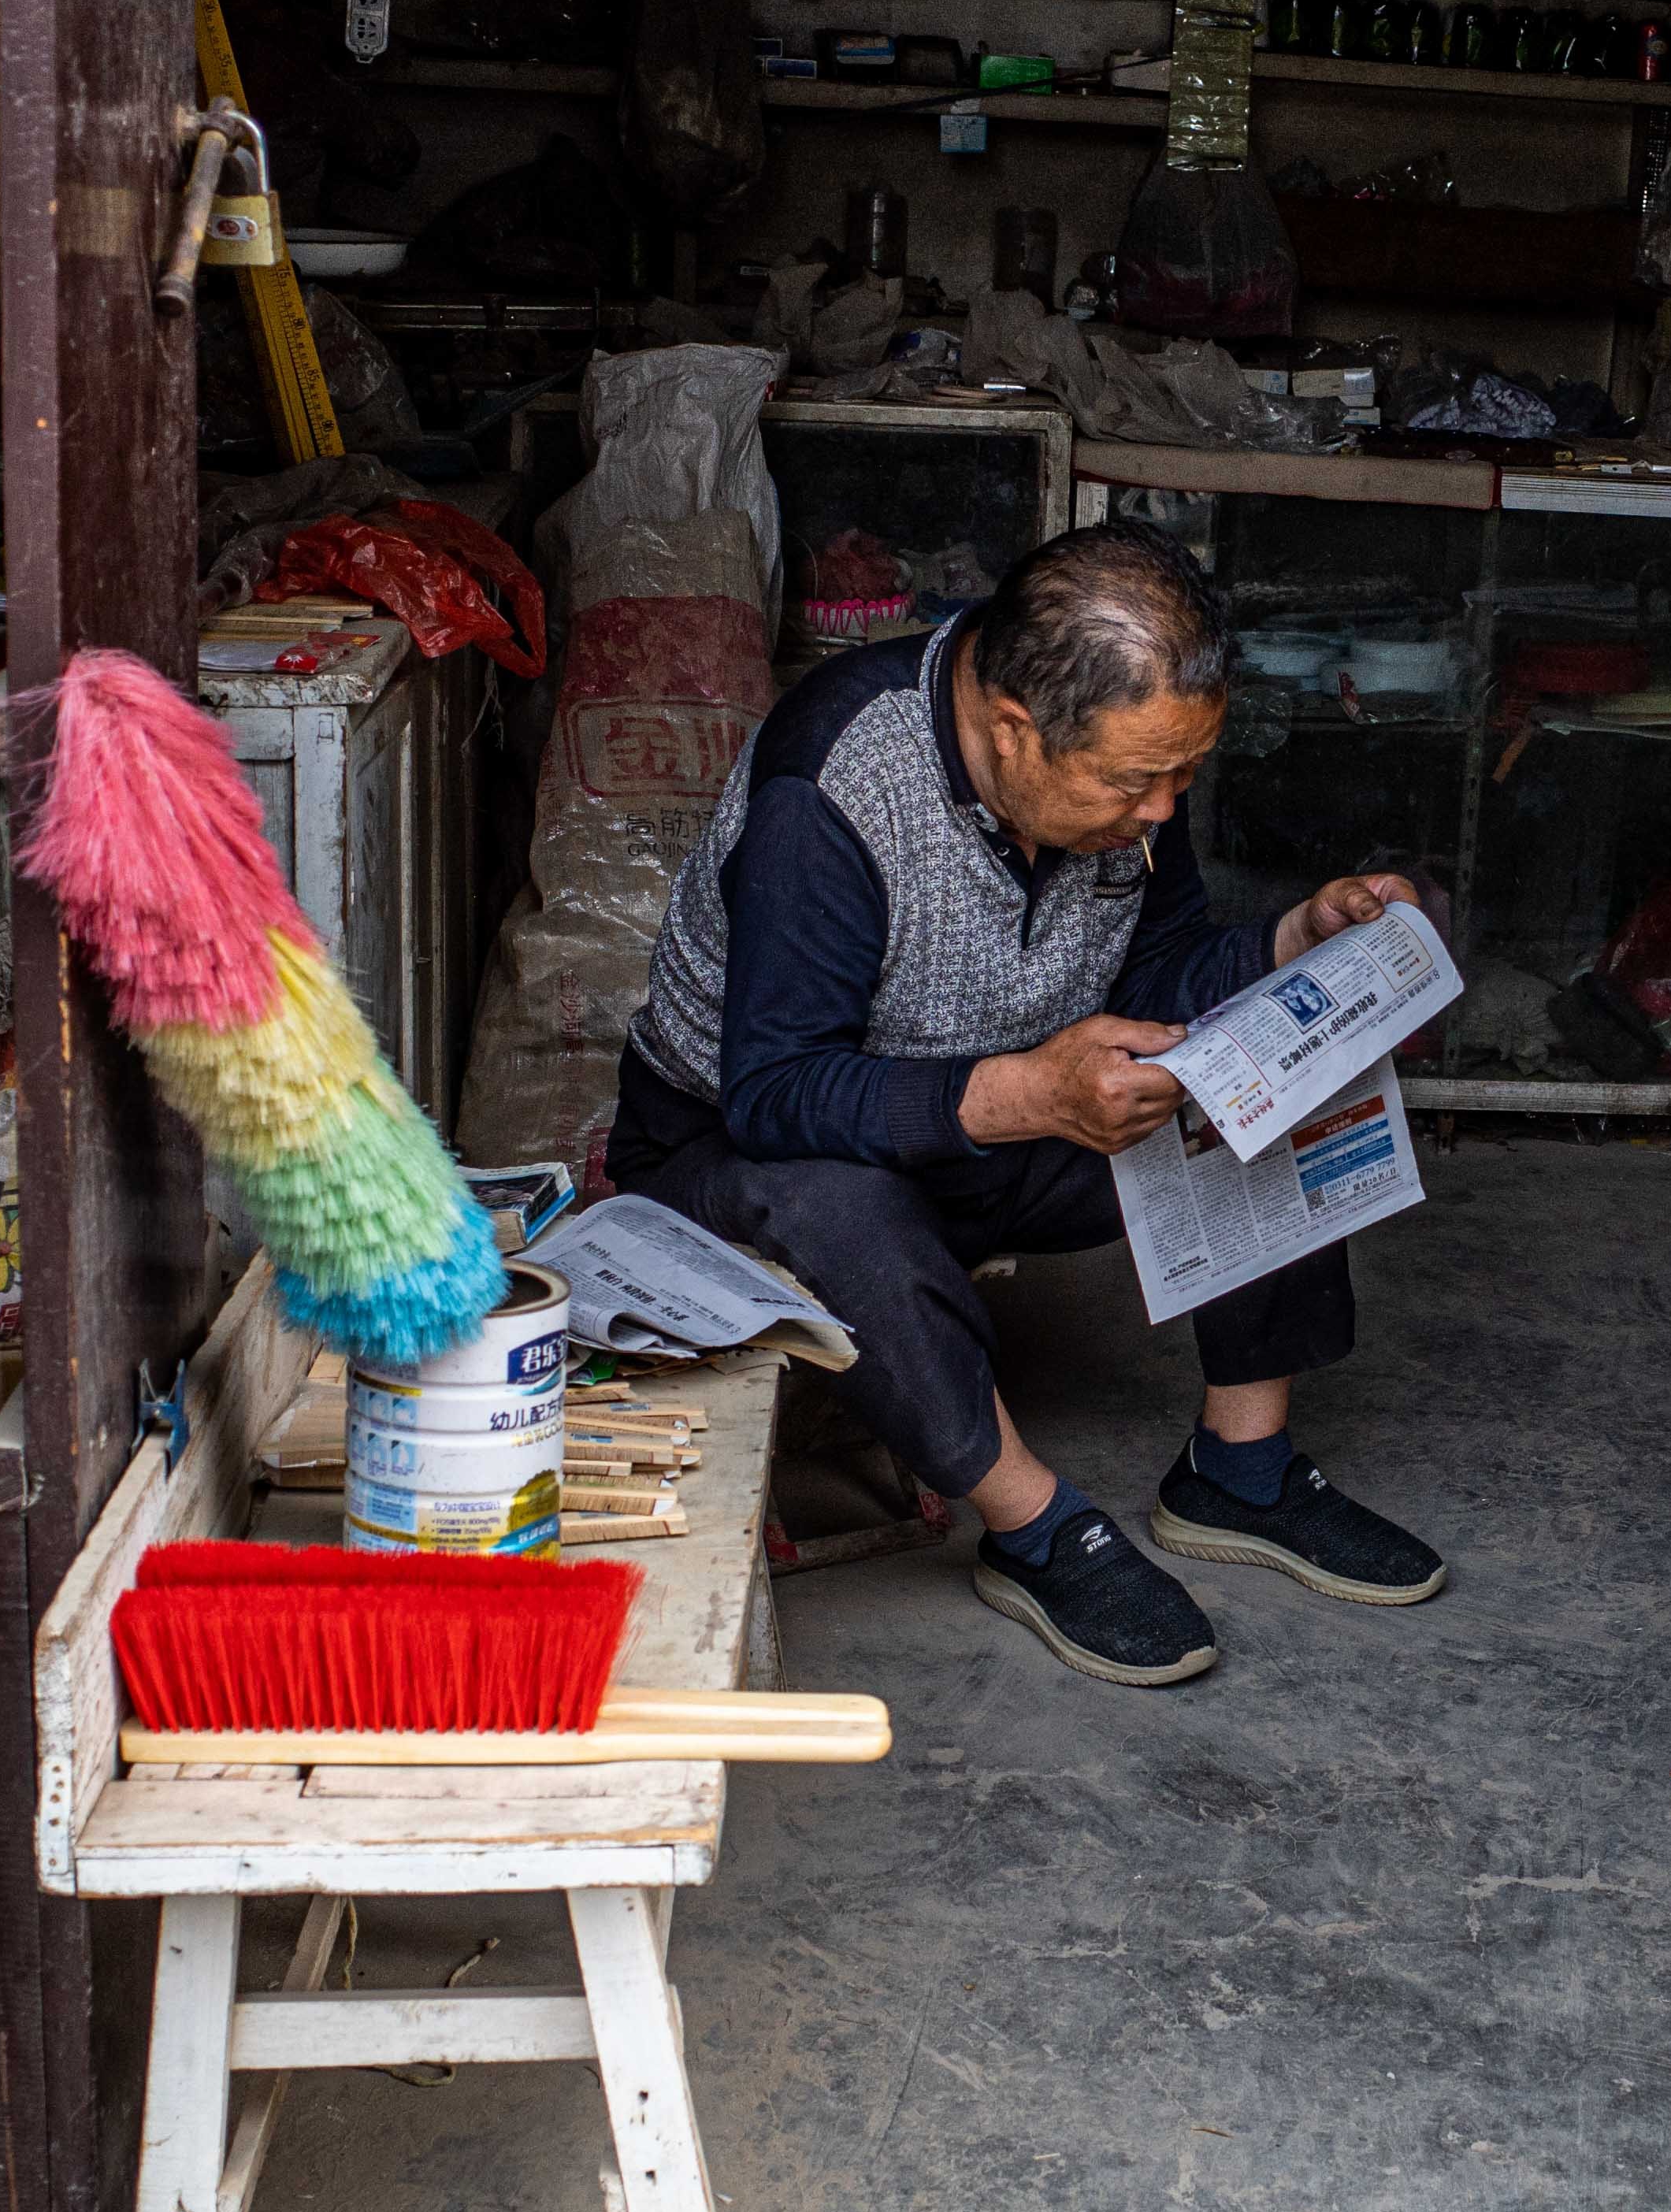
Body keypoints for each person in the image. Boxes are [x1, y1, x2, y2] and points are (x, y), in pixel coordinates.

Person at [607, 523, 1446, 1687]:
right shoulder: (836, 784)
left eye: (1182, 778)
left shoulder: (1125, 774)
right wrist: (1025, 1092)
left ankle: (1239, 1472)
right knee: (839, 1211)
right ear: (1013, 731)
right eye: (1132, 782)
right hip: (741, 1143)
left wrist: (1292, 942)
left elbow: (1159, 980)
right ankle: (1036, 1528)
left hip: (1005, 1112)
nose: (1160, 810)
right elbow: (775, 1090)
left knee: (1267, 1086)